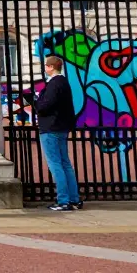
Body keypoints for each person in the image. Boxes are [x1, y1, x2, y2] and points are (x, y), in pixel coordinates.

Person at [34, 55, 82, 211]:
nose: (45, 68)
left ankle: (63, 200)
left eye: (46, 66)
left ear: (51, 67)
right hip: (61, 126)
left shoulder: (54, 84)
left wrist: (35, 102)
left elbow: (45, 106)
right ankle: (74, 198)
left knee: (56, 164)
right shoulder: (64, 82)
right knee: (65, 163)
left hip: (51, 127)